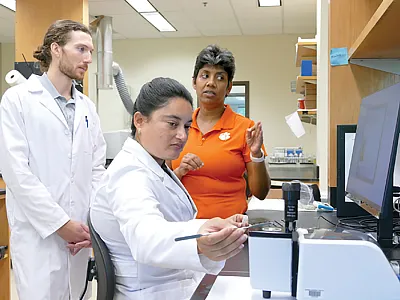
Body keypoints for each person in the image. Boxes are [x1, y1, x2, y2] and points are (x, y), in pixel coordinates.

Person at [90, 77, 248, 300]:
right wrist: (198, 241)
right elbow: (146, 237)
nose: (182, 136)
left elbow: (172, 223)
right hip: (150, 293)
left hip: (175, 285)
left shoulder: (155, 165)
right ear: (140, 120)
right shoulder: (129, 174)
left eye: (186, 126)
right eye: (172, 124)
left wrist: (211, 228)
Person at [0, 20, 106, 300]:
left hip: (80, 238)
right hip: (39, 239)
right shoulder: (18, 100)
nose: (88, 58)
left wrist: (88, 226)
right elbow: (16, 174)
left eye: (91, 51)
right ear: (56, 49)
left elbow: (97, 169)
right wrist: (61, 225)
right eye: (81, 49)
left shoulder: (87, 108)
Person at [170, 44, 271, 219]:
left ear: (229, 87)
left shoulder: (245, 128)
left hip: (230, 229)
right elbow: (162, 185)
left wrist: (256, 154)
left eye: (220, 77)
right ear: (194, 82)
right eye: (205, 75)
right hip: (184, 226)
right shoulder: (179, 125)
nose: (211, 82)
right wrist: (180, 171)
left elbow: (260, 192)